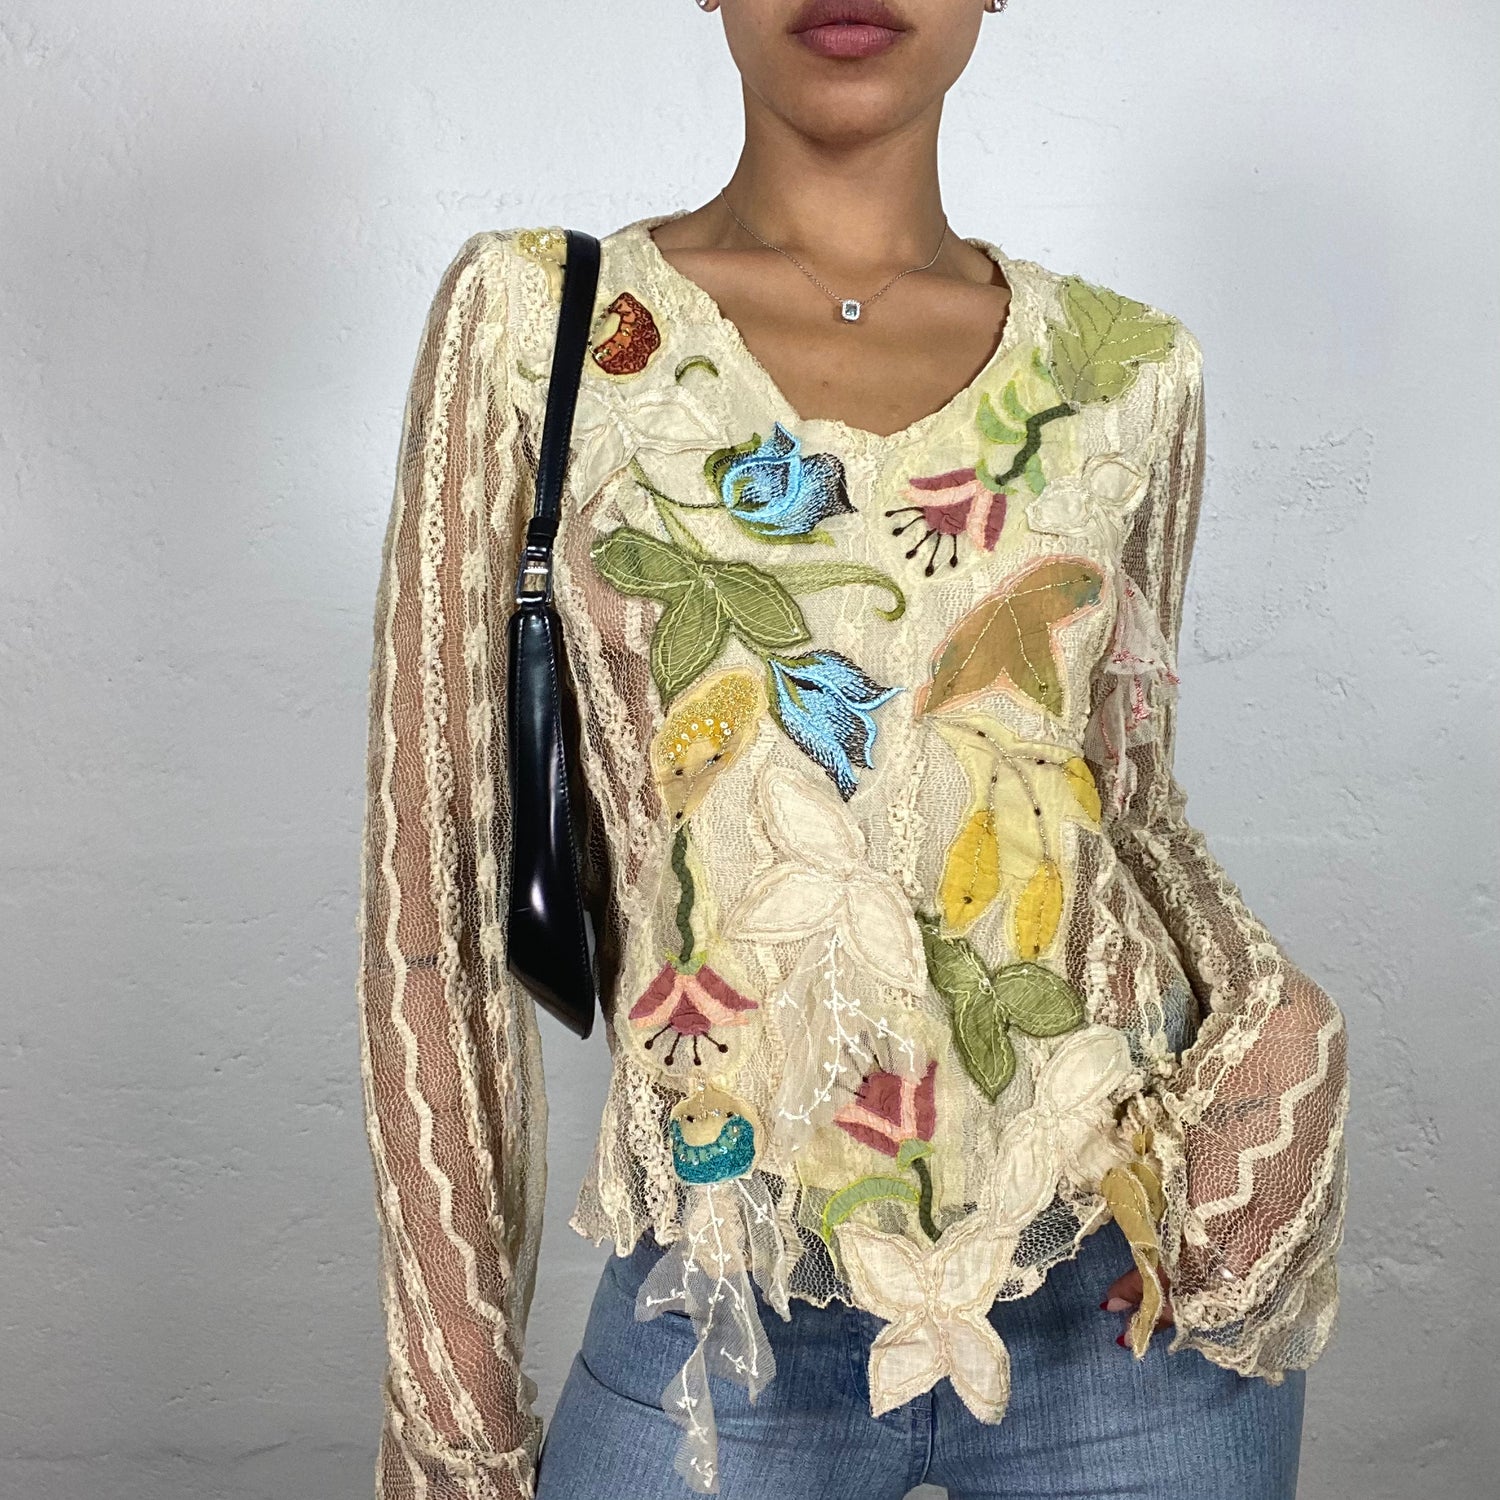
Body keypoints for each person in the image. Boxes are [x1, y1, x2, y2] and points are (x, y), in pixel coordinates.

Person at [353, 2, 1349, 1497]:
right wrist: (458, 1434)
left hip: (1124, 1287)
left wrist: (1277, 1037)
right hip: (720, 1298)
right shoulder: (546, 328)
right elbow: (431, 907)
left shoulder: (1129, 373)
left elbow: (1124, 812)